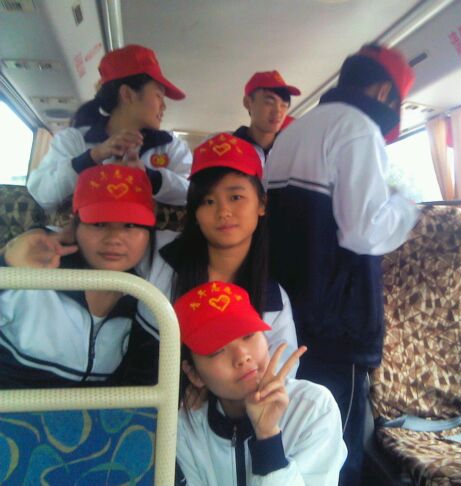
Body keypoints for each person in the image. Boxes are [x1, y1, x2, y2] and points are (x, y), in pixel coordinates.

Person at [264, 44, 420, 485]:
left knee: (294, 436)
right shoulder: (358, 129)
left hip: (287, 317)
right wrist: (406, 206)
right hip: (337, 326)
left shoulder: (293, 132)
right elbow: (363, 231)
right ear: (384, 92)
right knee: (337, 450)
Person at [125, 133, 298, 385]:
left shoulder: (273, 301)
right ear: (195, 212)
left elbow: (280, 378)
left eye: (235, 197)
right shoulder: (158, 254)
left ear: (262, 204)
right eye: (208, 201)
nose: (223, 211)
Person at [174, 281, 346, 486]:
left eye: (248, 335)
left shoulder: (313, 409)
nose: (242, 356)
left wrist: (267, 437)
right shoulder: (184, 428)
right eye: (216, 350)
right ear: (194, 374)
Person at [0, 165, 156, 388]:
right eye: (99, 224)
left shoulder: (146, 299)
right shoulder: (36, 272)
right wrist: (6, 266)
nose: (114, 239)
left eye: (130, 225)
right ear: (74, 226)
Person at [27, 44, 192, 211]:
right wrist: (93, 156)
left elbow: (194, 194)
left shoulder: (170, 146)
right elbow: (42, 195)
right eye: (158, 96)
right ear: (127, 94)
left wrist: (148, 176)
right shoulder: (73, 140)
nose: (164, 106)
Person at [232, 70, 301, 164]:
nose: (278, 111)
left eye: (284, 105)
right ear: (248, 102)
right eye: (269, 102)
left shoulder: (294, 150)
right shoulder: (228, 147)